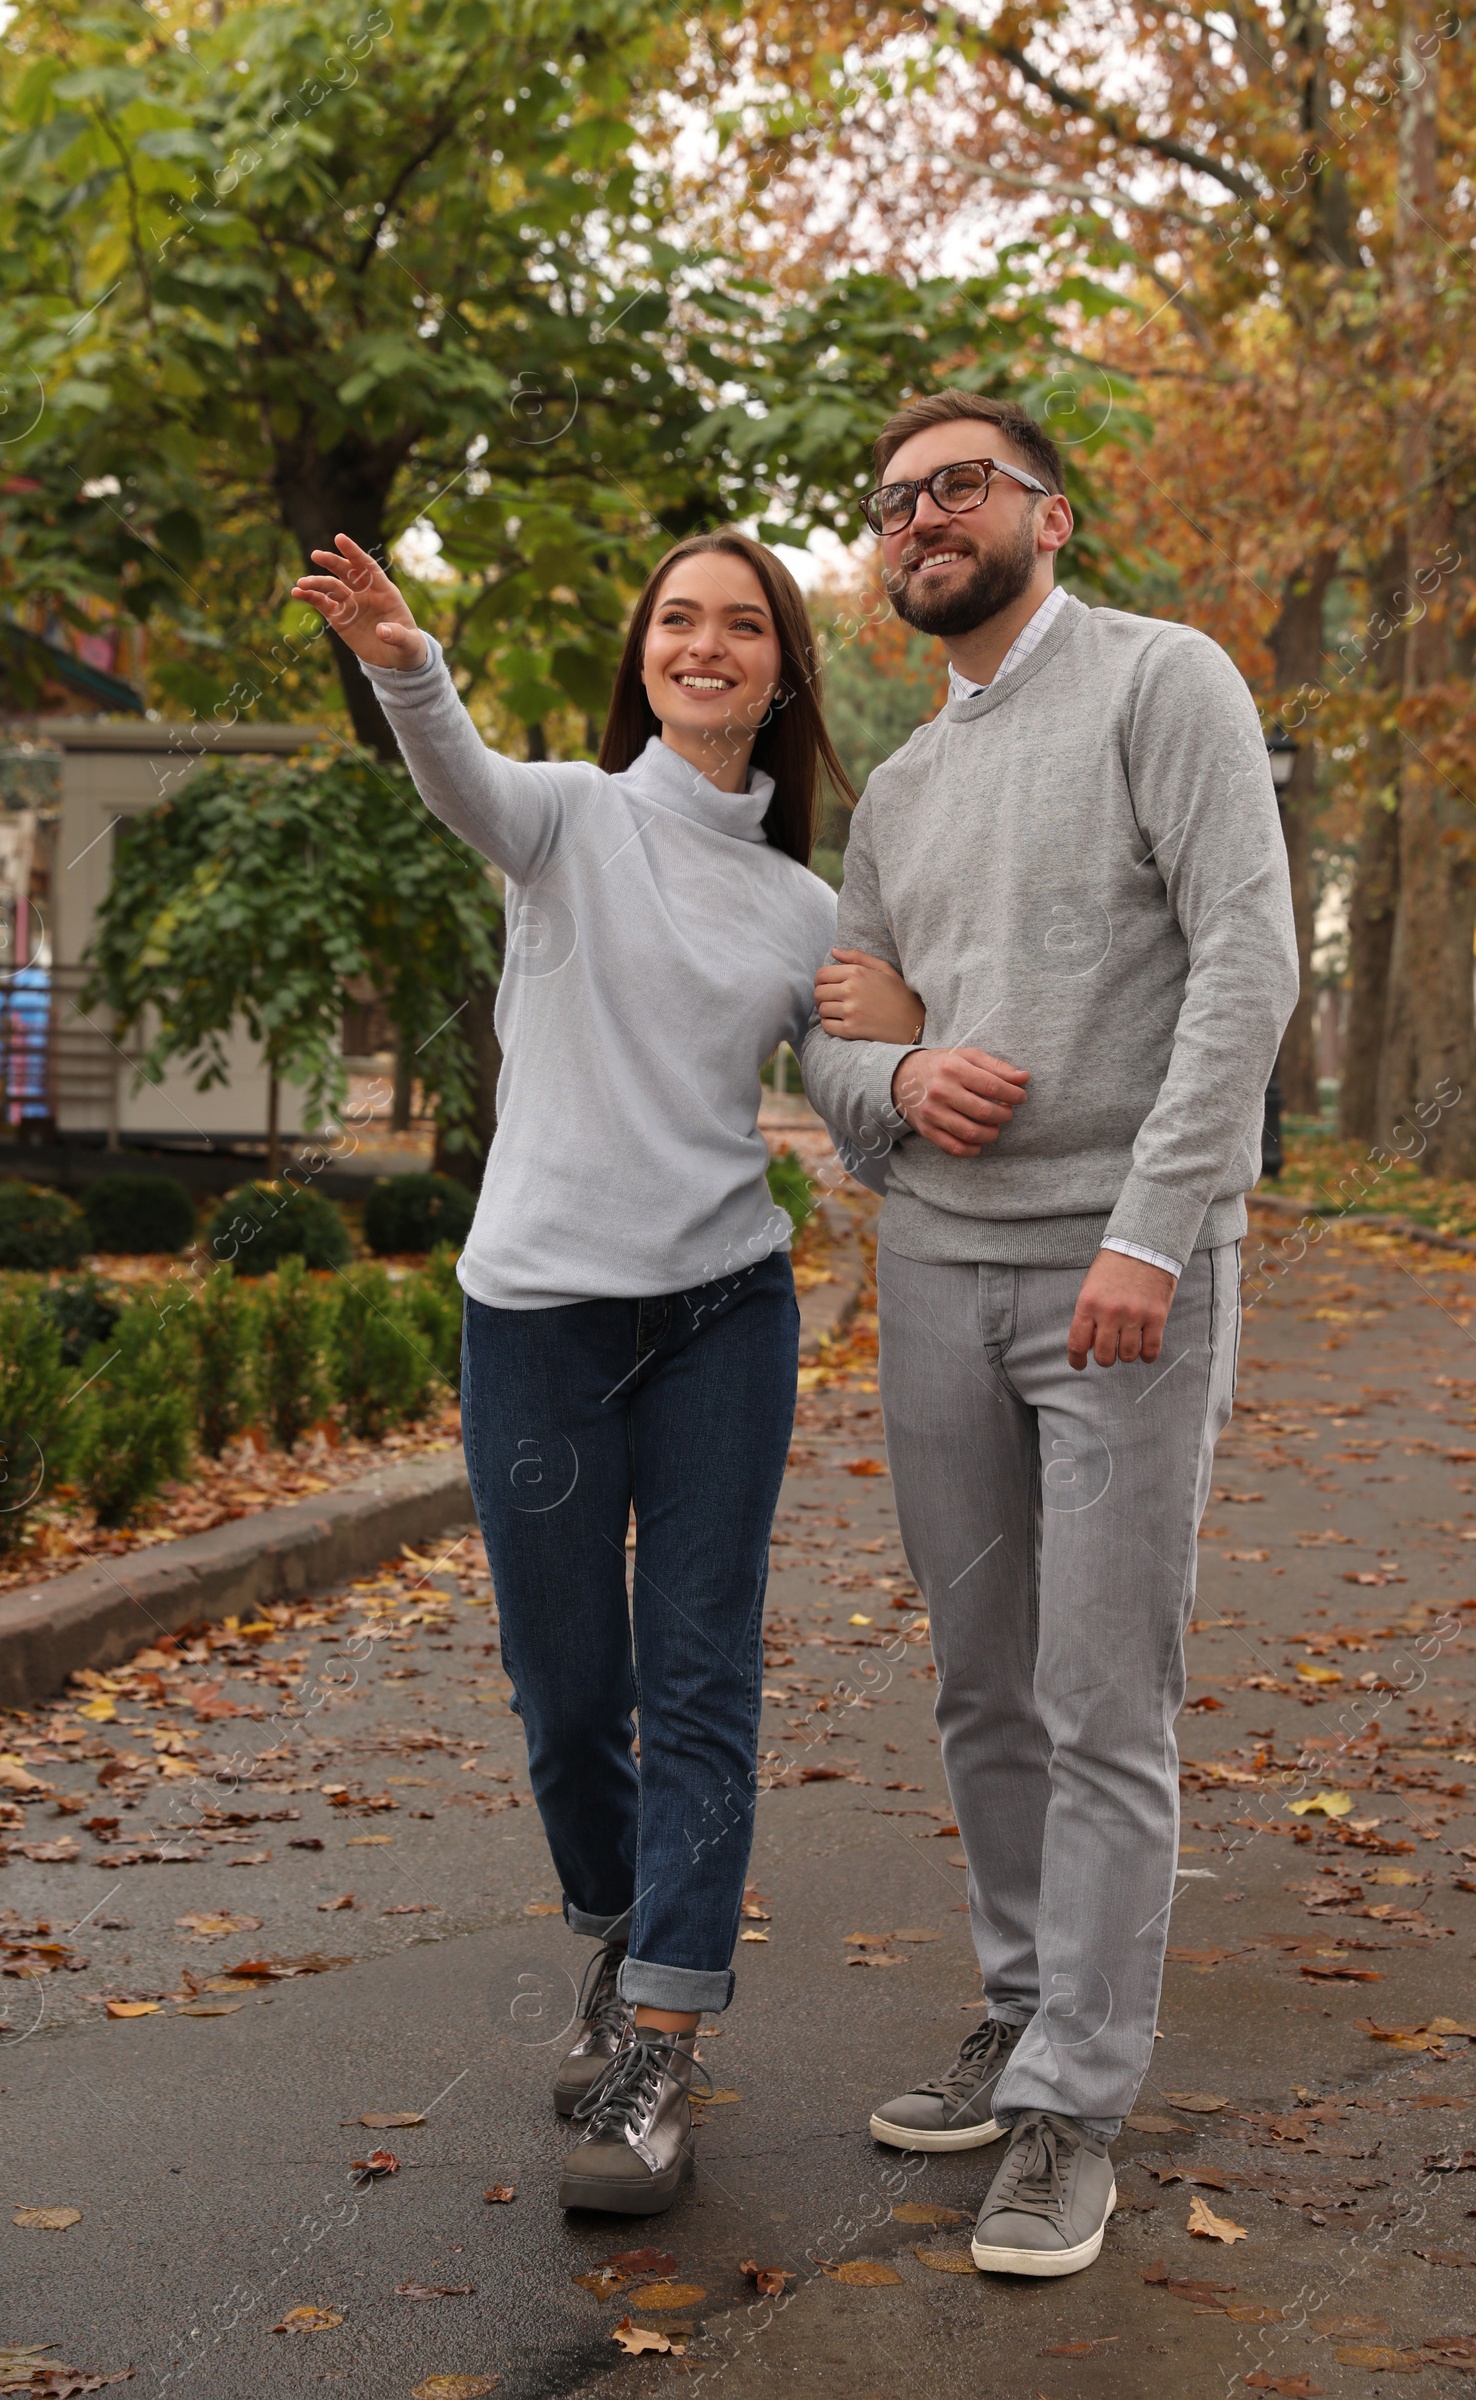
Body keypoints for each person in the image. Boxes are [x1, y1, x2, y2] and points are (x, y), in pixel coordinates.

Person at [293, 529, 922, 2216]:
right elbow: (461, 779)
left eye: (740, 627)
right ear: (644, 653)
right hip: (541, 1321)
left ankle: (660, 2037)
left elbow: (863, 1118)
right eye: (676, 621)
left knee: (701, 1674)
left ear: (783, 673)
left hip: (723, 1314)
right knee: (570, 1695)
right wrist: (401, 661)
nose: (705, 646)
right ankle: (614, 1924)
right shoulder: (566, 817)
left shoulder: (806, 905)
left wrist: (903, 1036)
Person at [803, 392, 1298, 2279]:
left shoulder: (1168, 685)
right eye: (894, 501)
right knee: (981, 1681)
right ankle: (1020, 2012)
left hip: (1118, 1282)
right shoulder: (903, 793)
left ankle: (1074, 2109)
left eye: (959, 487)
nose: (923, 516)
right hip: (934, 1277)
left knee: (1105, 1699)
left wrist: (1154, 1235)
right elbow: (835, 1033)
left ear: (1050, 517)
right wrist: (902, 1070)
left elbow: (1250, 961)